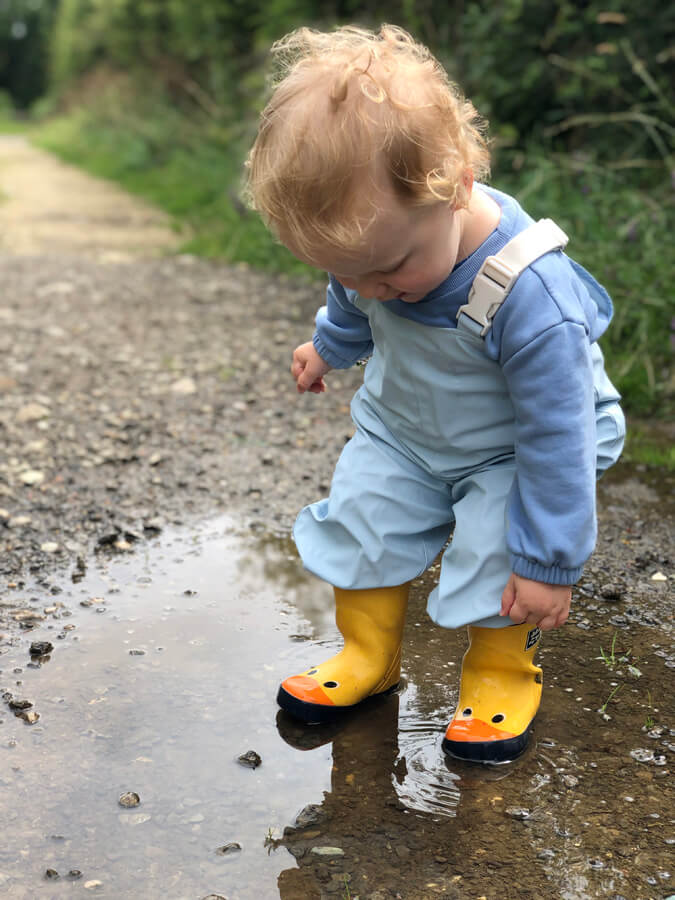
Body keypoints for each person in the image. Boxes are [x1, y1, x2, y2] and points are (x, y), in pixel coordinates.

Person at [245, 24, 625, 762]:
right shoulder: (374, 248)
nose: (371, 289)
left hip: (520, 442)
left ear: (454, 186)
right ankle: (367, 657)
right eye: (344, 271)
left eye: (386, 271)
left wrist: (549, 562)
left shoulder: (529, 294)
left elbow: (558, 435)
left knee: (495, 544)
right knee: (363, 515)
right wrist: (330, 343)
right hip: (408, 428)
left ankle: (499, 671)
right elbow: (353, 300)